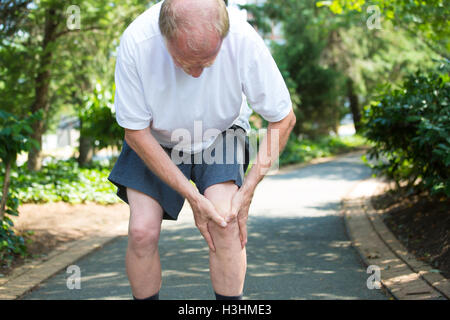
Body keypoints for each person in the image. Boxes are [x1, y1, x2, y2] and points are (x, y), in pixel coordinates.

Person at [108, 0, 296, 300]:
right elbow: (135, 133)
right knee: (142, 233)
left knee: (225, 222)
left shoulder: (243, 39)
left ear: (223, 35)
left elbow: (283, 118)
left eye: (207, 63)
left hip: (220, 133)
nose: (196, 74)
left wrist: (248, 188)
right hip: (155, 139)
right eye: (185, 62)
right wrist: (192, 197)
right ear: (164, 35)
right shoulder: (137, 41)